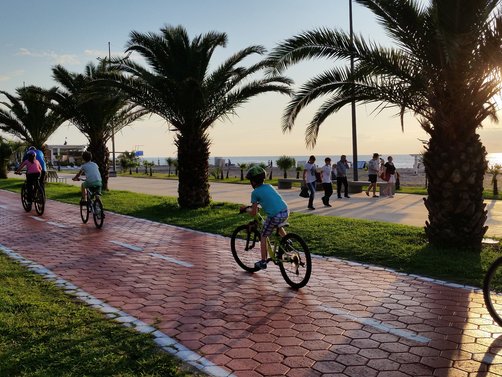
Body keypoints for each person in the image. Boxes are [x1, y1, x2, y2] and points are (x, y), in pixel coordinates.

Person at [240, 166, 288, 271]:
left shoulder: (255, 193)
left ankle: (263, 261)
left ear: (253, 181)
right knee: (277, 224)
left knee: (263, 236)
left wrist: (245, 209)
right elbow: (270, 200)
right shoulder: (269, 186)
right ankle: (287, 240)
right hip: (285, 211)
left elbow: (254, 213)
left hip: (274, 216)